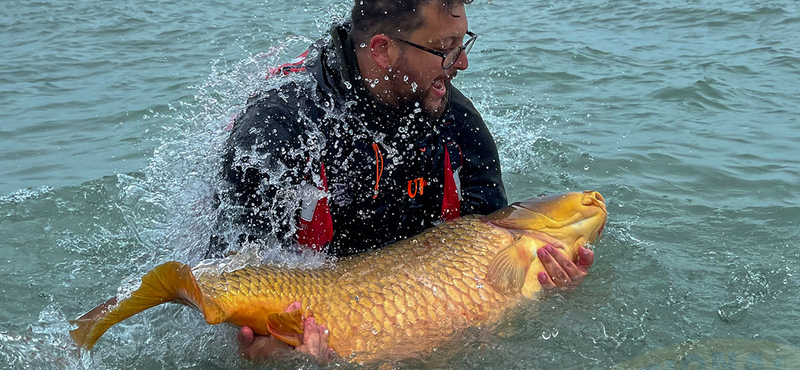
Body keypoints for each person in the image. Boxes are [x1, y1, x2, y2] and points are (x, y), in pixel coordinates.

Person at [212, 0, 596, 362]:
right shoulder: (277, 133)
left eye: (463, 43)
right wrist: (262, 352)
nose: (461, 63)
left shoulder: (458, 125)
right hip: (316, 294)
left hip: (404, 297)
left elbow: (482, 251)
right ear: (382, 50)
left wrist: (540, 281)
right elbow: (231, 271)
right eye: (445, 48)